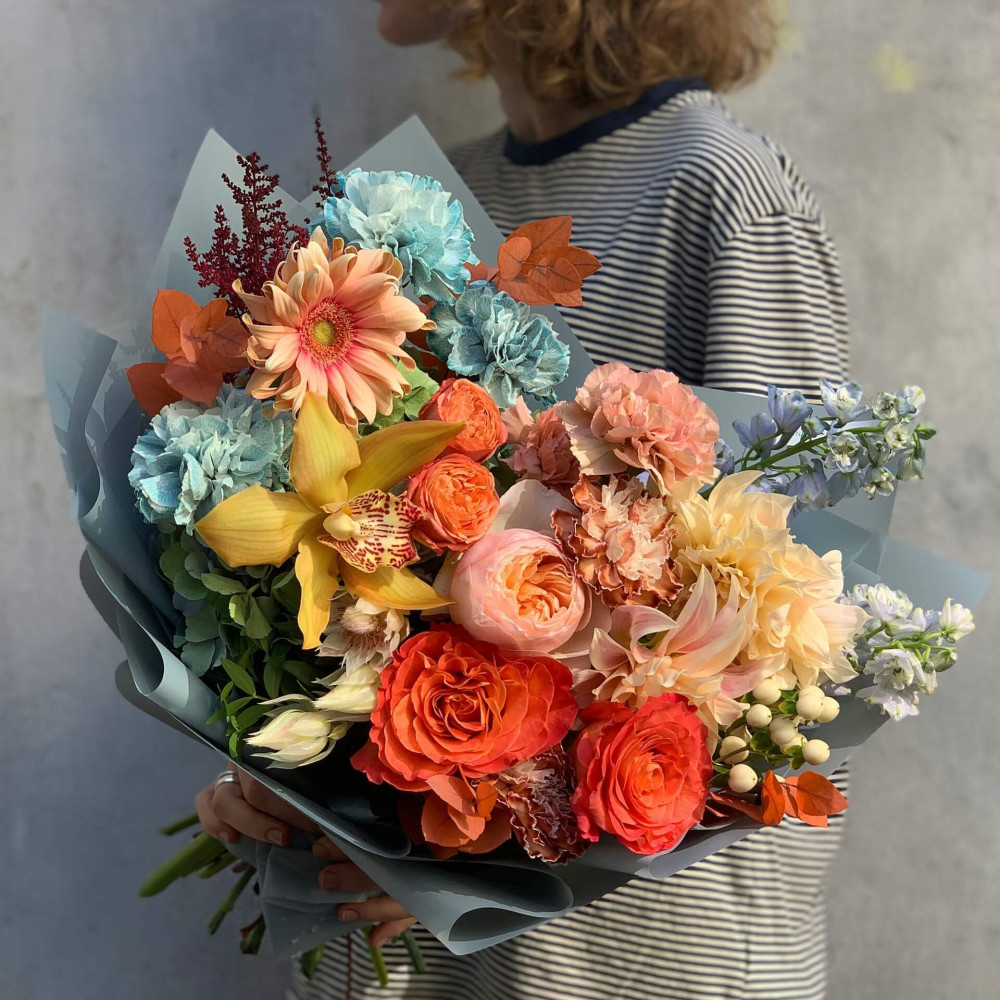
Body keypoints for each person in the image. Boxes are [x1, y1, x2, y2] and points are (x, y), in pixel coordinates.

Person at [196, 2, 851, 996]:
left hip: (627, 965)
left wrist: (468, 860)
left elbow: (805, 637)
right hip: (403, 949)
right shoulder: (414, 208)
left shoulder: (720, 192)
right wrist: (271, 773)